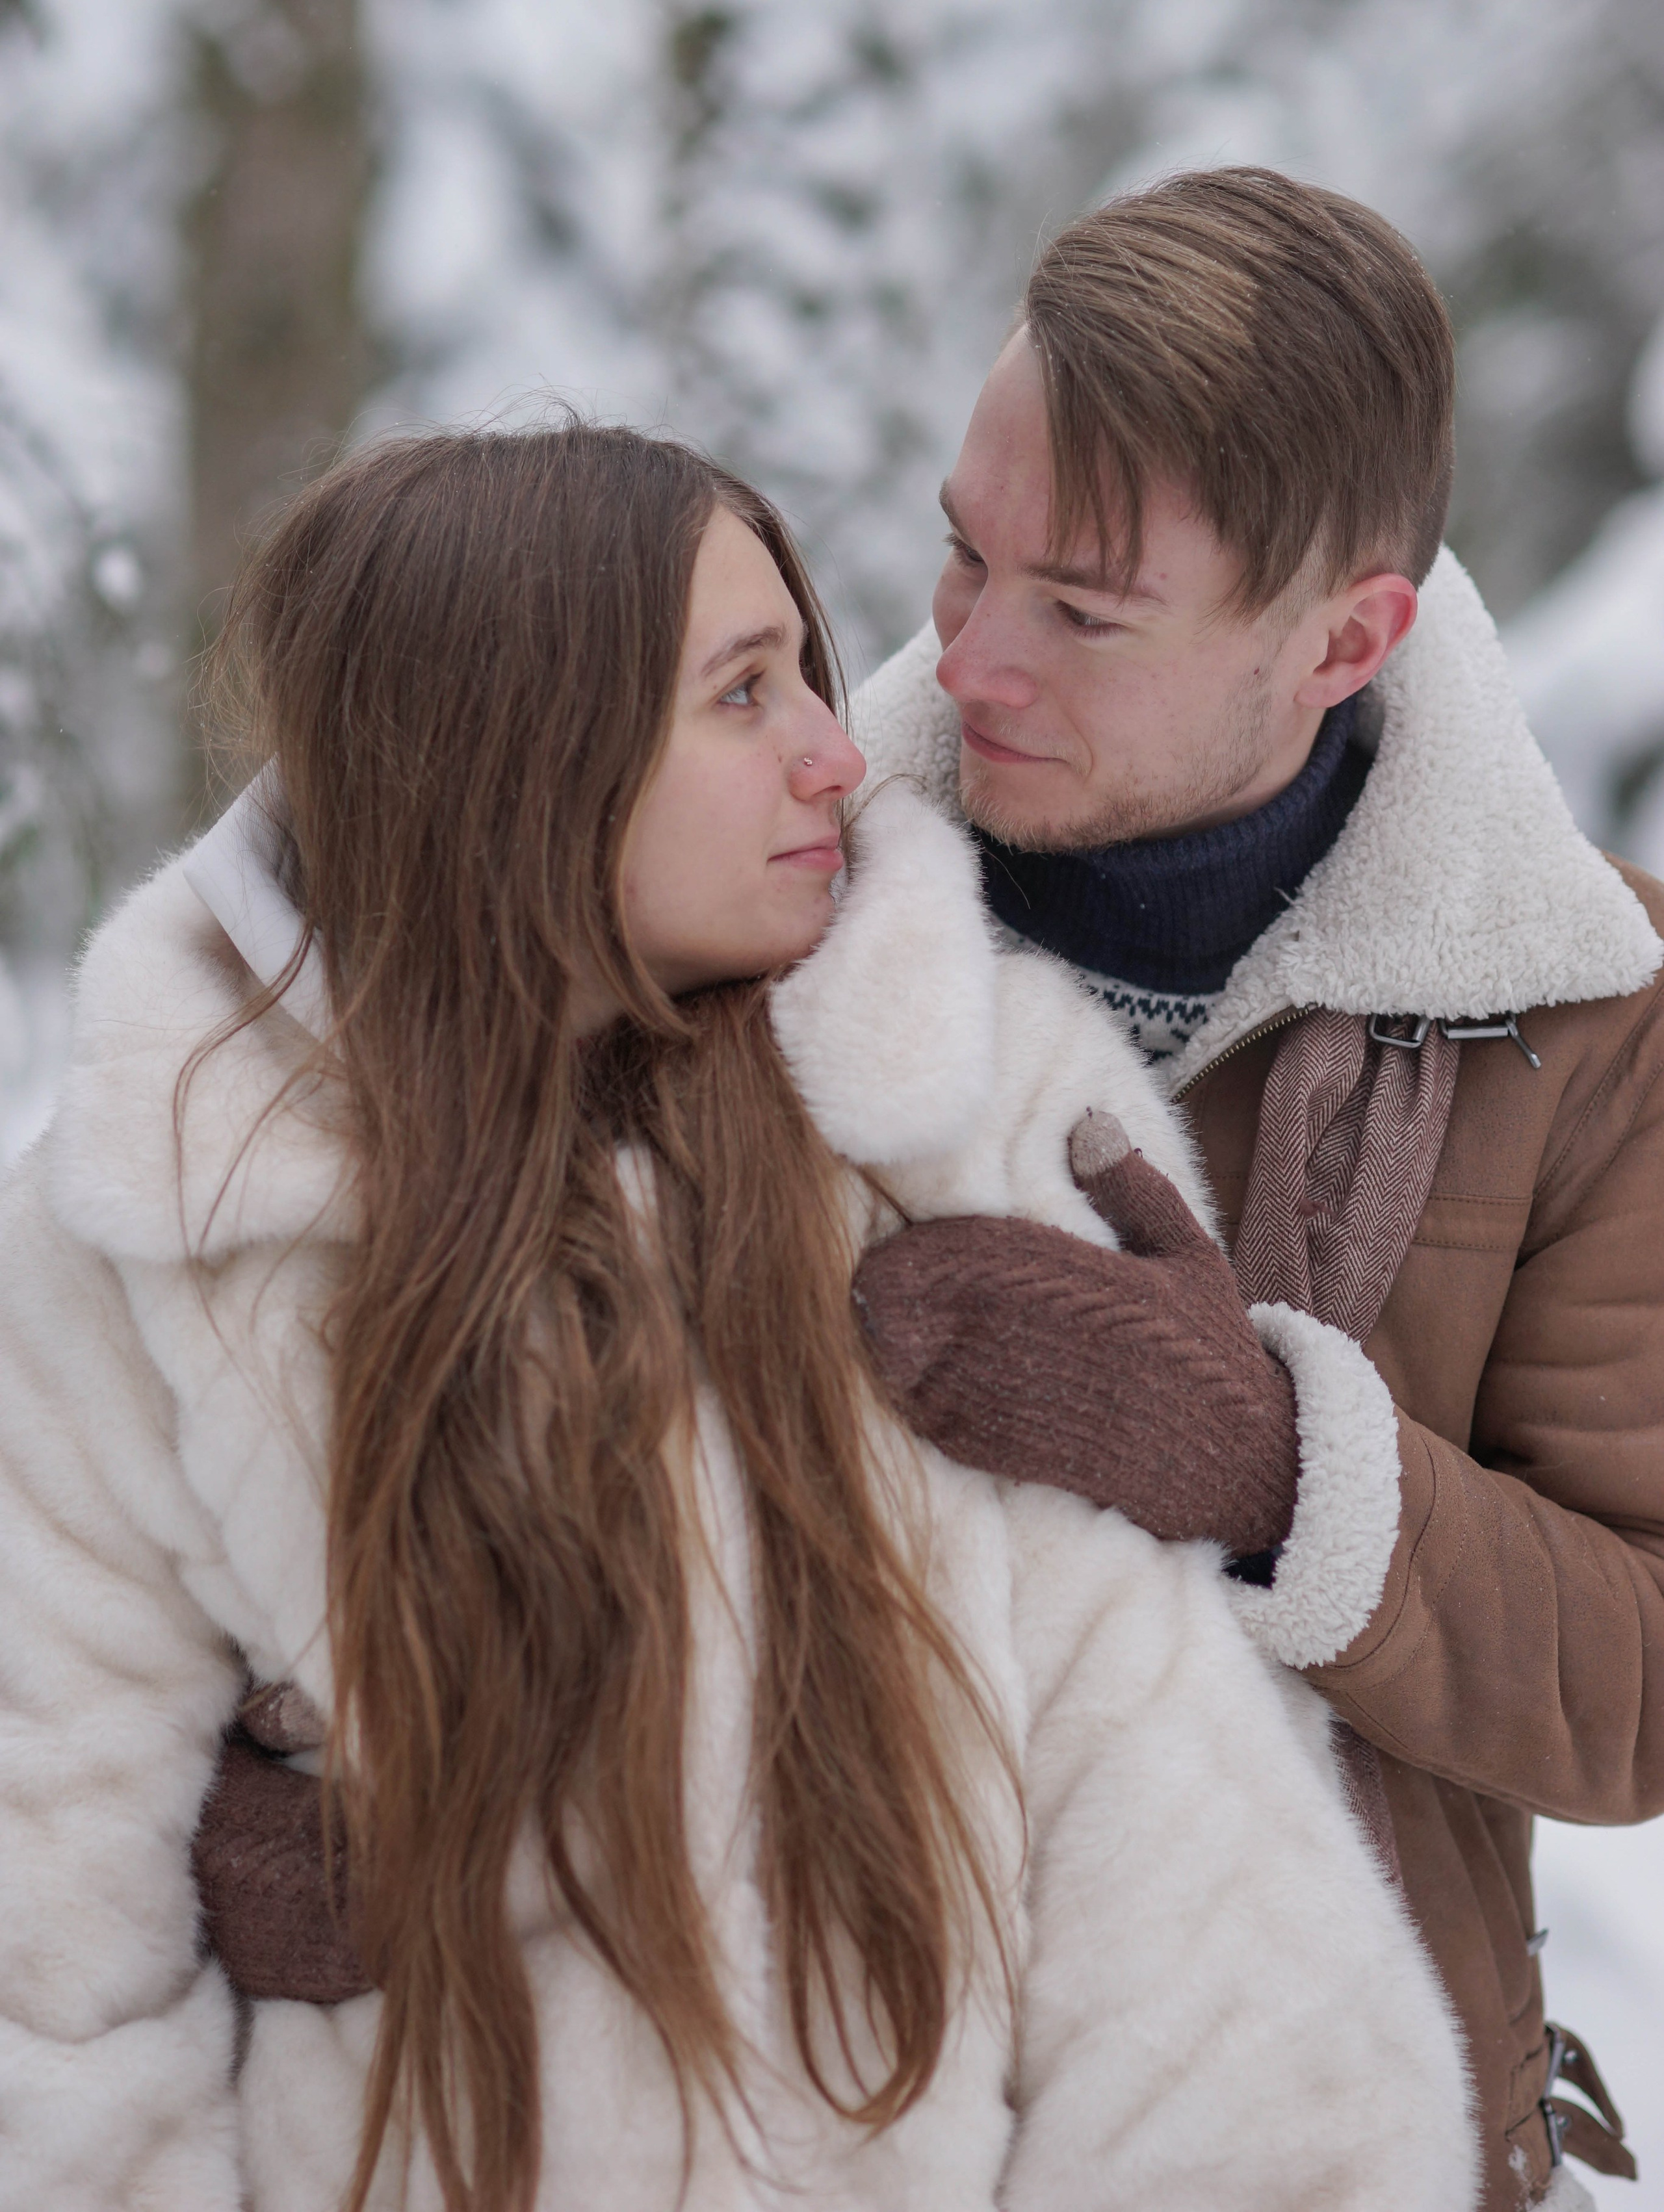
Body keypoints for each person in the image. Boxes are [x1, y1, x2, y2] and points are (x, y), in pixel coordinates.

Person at [0, 422, 1476, 2210]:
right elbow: (51, 1982)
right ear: (516, 756)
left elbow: (1194, 1923)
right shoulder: (142, 1240)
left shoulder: (964, 1134)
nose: (841, 755)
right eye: (743, 693)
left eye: (808, 674)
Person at [844, 166, 1661, 2211]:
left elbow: (1643, 1683)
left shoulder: (1591, 1017)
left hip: (1341, 2132)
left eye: (1086, 610)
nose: (967, 660)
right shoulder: (756, 915)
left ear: (1343, 638)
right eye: (963, 553)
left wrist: (1283, 1467)